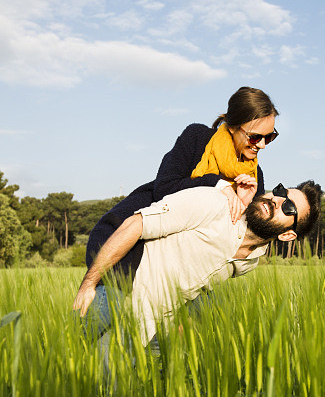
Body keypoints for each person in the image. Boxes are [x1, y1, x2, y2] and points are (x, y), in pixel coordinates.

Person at [74, 178, 322, 346]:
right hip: (114, 297)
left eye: (289, 208)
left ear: (288, 236)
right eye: (280, 191)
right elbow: (136, 224)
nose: (277, 200)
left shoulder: (251, 261)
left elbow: (198, 283)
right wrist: (89, 284)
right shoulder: (215, 204)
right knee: (71, 374)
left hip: (145, 330)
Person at [86, 87, 279, 279]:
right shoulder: (197, 138)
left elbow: (240, 240)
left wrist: (244, 207)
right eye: (255, 137)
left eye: (269, 137)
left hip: (185, 269)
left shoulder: (254, 177)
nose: (262, 145)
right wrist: (218, 185)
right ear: (232, 127)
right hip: (129, 247)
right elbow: (164, 187)